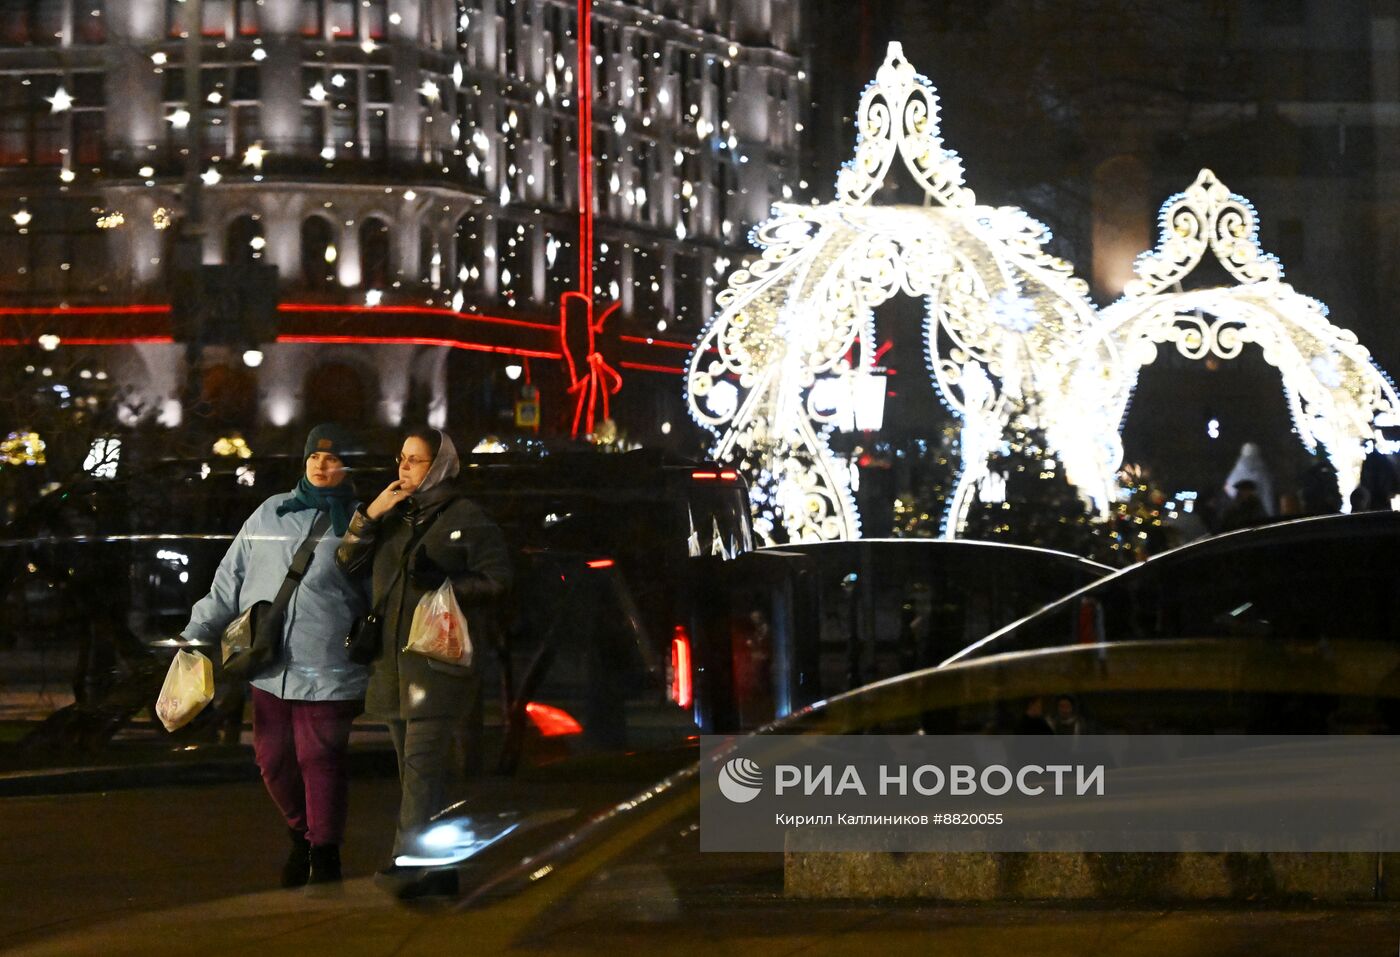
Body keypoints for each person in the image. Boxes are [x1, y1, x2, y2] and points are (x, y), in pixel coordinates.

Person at [181, 423, 368, 888]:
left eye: (332, 458)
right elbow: (229, 580)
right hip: (267, 664)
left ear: (346, 465)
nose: (323, 466)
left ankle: (324, 854)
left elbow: (375, 594)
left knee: (318, 758)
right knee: (272, 759)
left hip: (329, 664)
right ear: (304, 462)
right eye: (315, 458)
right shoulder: (269, 513)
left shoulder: (361, 522)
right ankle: (301, 835)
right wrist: (195, 632)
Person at [336, 427, 512, 881]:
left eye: (416, 459)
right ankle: (440, 867)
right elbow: (347, 563)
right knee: (415, 771)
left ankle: (406, 863)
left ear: (440, 465)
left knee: (419, 769)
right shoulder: (393, 515)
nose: (405, 467)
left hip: (437, 665)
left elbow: (499, 580)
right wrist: (370, 514)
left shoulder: (467, 517)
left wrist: (447, 583)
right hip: (392, 665)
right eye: (402, 458)